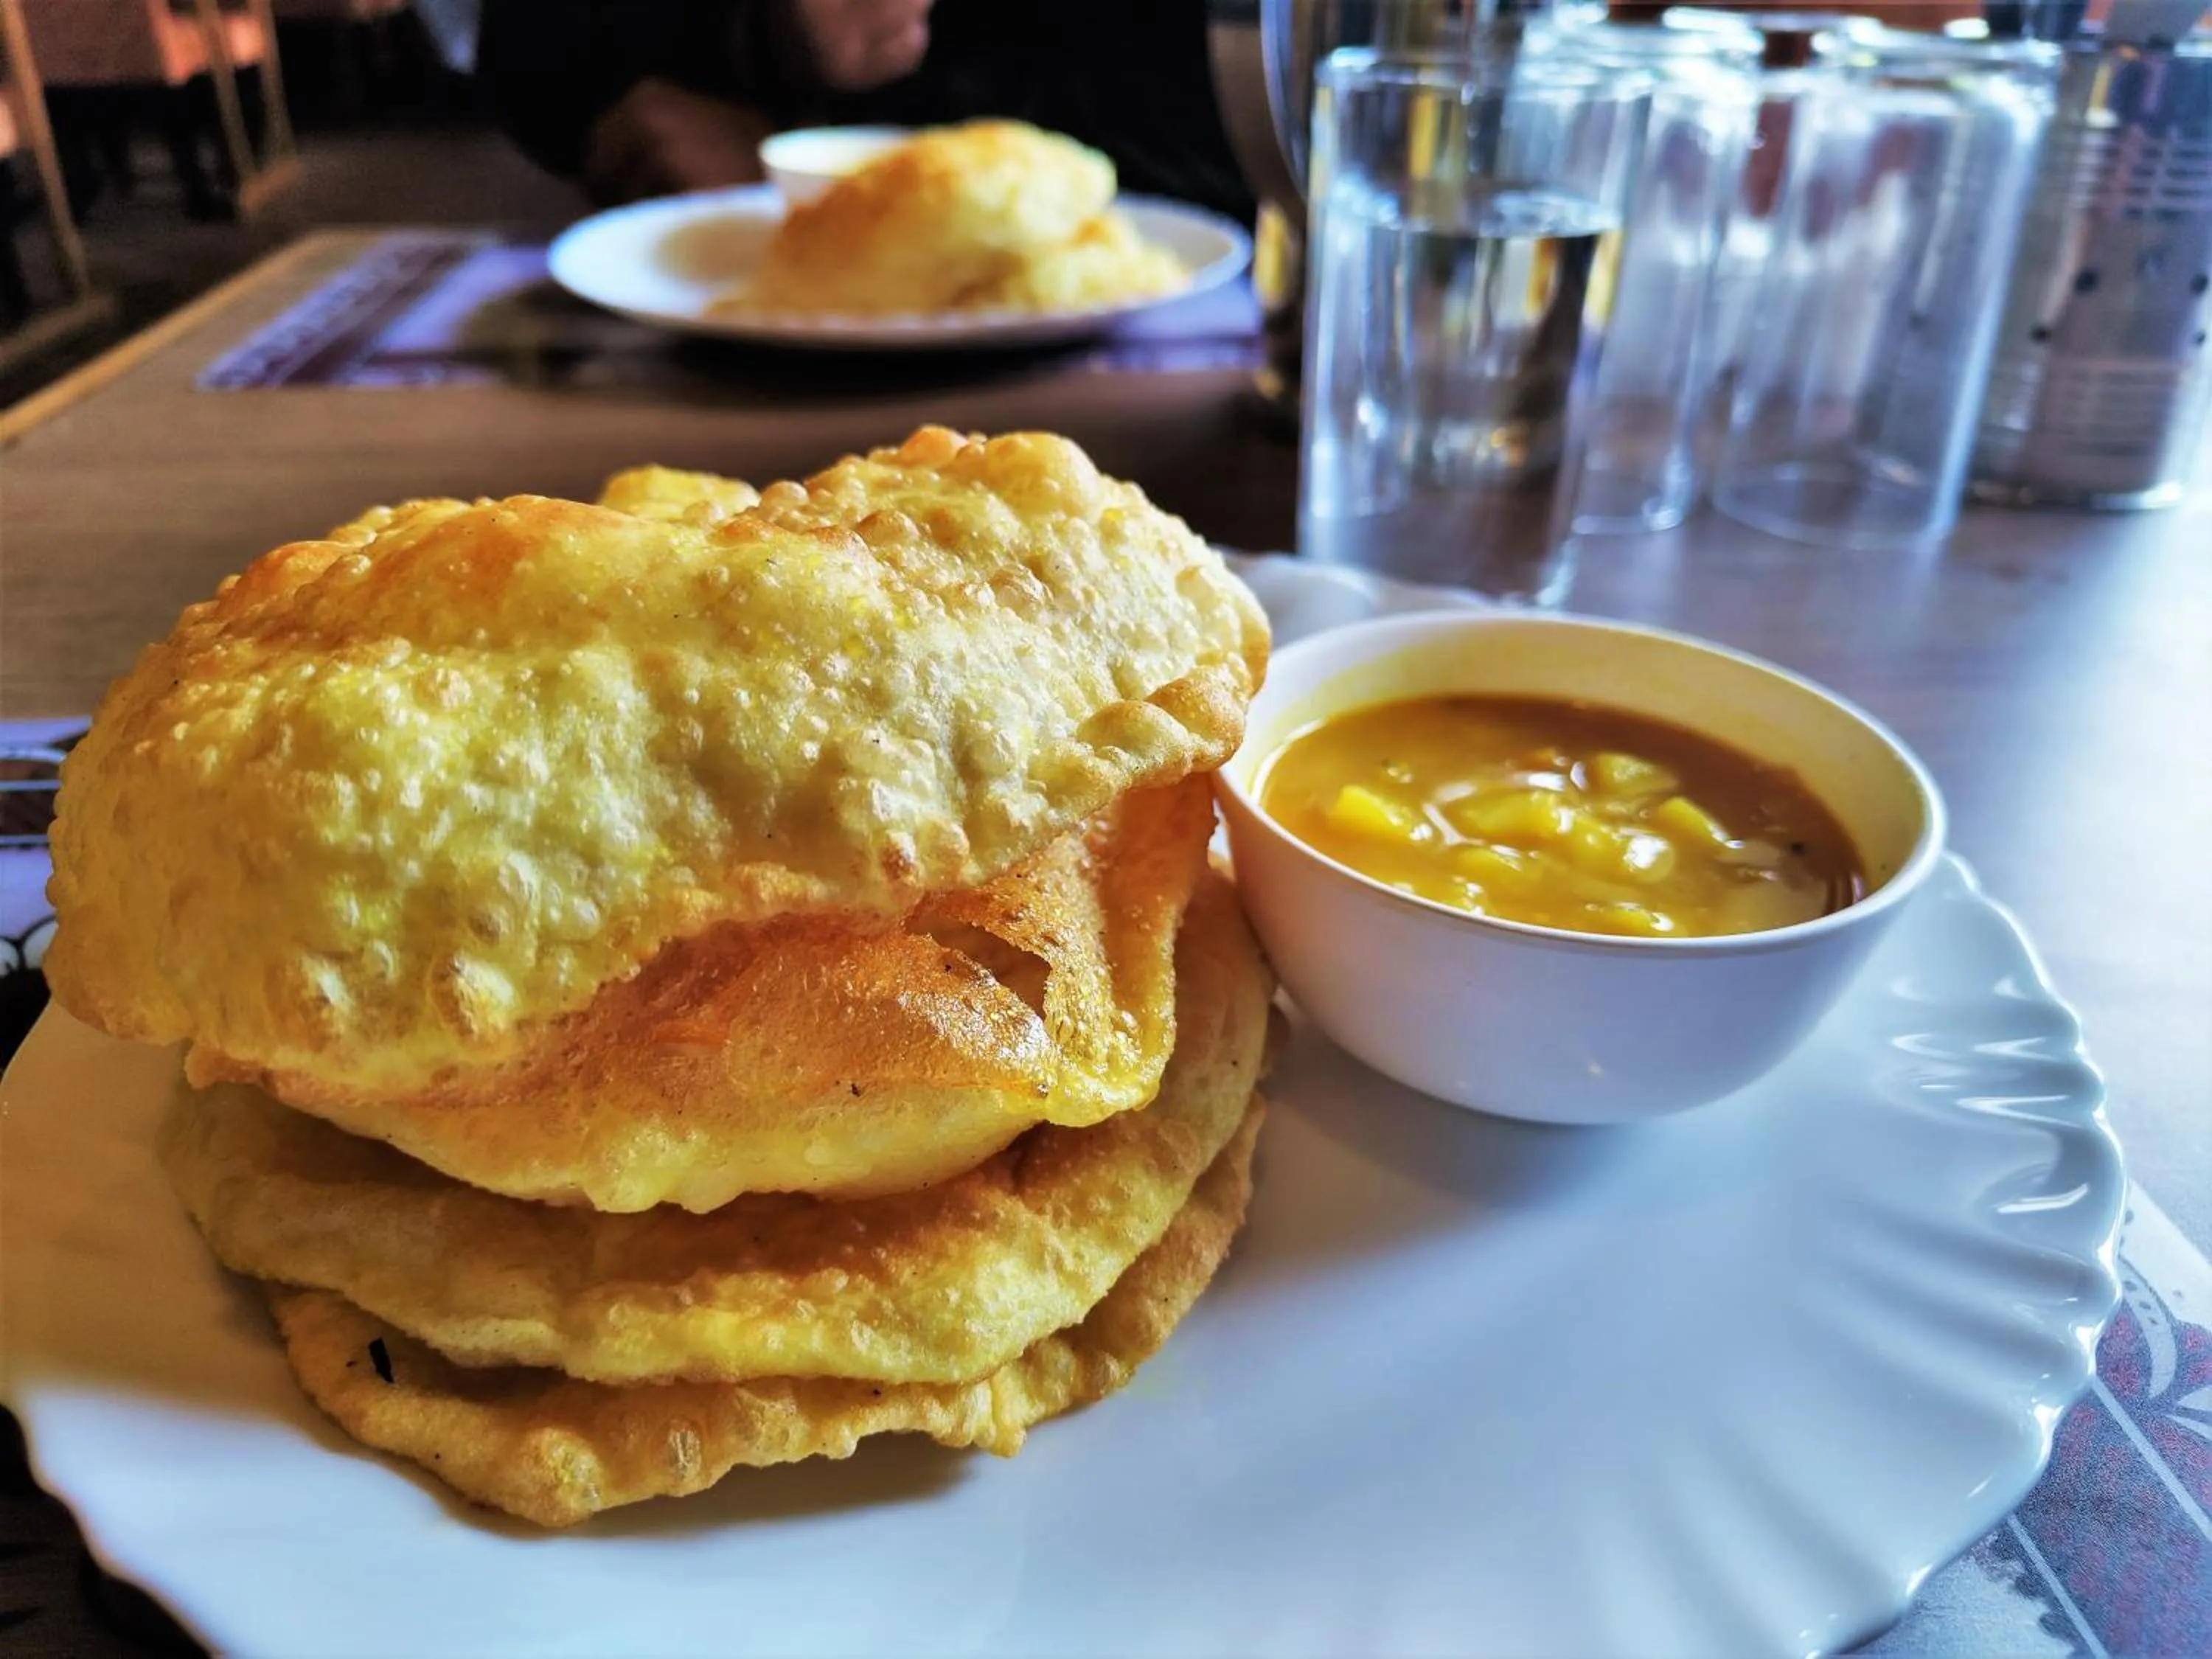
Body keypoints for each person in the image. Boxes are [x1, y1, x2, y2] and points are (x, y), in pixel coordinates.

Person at [476, 0, 1255, 220]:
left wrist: (821, 146)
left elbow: (1252, 122)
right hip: (735, 307)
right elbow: (527, 45)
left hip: (1160, 335)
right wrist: (750, 30)